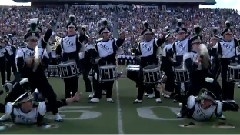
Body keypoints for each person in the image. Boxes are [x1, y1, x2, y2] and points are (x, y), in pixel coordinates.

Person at [0, 18, 63, 122]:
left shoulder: (42, 50)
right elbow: (19, 66)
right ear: (27, 40)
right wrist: (27, 63)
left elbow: (47, 62)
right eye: (31, 40)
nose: (33, 42)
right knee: (10, 97)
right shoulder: (22, 50)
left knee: (51, 95)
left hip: (40, 77)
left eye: (35, 40)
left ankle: (56, 114)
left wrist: (40, 63)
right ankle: (7, 114)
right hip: (26, 78)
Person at [89, 19, 125, 103]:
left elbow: (119, 42)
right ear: (102, 34)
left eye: (108, 32)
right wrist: (96, 59)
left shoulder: (113, 42)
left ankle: (109, 96)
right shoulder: (98, 43)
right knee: (98, 79)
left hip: (110, 63)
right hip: (101, 64)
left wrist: (122, 37)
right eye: (105, 33)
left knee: (110, 80)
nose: (107, 34)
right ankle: (97, 96)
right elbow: (94, 54)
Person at [0, 90, 79, 127]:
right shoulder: (12, 108)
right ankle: (6, 116)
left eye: (31, 100)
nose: (31, 102)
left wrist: (73, 99)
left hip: (37, 122)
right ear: (22, 103)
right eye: (29, 101)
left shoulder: (39, 108)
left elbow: (57, 104)